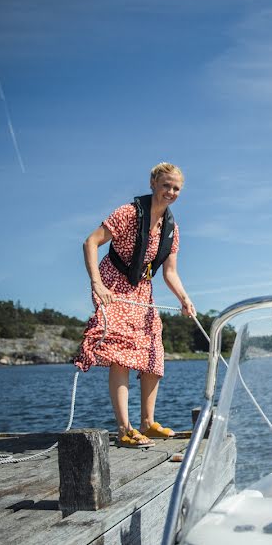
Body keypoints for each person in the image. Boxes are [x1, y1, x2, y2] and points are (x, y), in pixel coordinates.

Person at [75, 162, 196, 448]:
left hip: (142, 288)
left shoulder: (171, 229)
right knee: (122, 351)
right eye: (166, 185)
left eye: (176, 188)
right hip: (113, 284)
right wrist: (97, 283)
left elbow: (170, 272)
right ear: (153, 183)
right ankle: (124, 428)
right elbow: (90, 243)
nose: (171, 192)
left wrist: (185, 299)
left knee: (153, 348)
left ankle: (147, 423)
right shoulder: (128, 214)